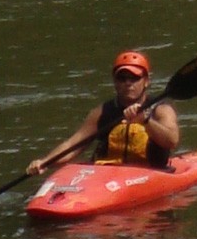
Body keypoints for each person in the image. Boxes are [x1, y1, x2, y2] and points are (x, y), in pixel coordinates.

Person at [26, 51, 180, 176]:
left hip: (149, 172)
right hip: (106, 175)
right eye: (122, 78)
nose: (128, 83)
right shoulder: (103, 112)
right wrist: (44, 162)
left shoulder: (160, 109)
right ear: (115, 81)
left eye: (134, 78)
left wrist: (146, 121)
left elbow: (171, 141)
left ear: (146, 81)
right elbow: (73, 145)